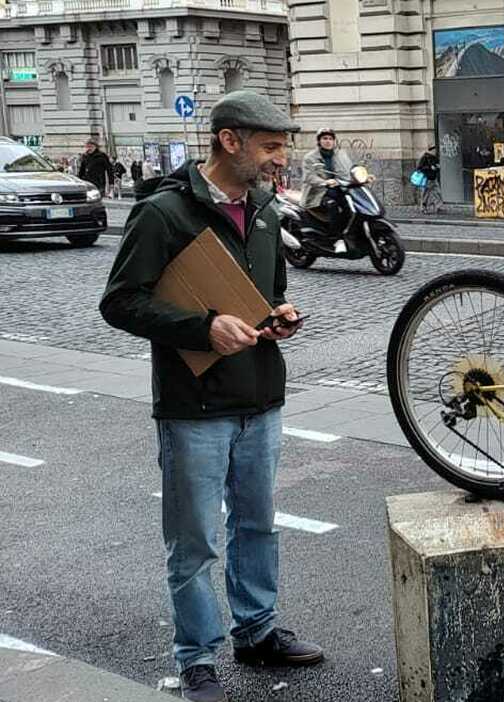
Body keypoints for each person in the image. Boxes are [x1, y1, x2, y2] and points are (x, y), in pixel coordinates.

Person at [99, 90, 323, 702]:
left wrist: (280, 314)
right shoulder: (164, 213)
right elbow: (120, 303)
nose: (281, 159)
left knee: (257, 525)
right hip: (193, 404)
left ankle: (256, 631)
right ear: (231, 142)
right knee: (195, 540)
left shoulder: (266, 210)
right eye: (271, 147)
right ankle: (196, 656)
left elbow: (268, 289)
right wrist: (202, 329)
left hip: (261, 395)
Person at [301, 128, 354, 246]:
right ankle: (335, 238)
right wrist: (324, 182)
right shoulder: (310, 157)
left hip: (339, 188)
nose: (328, 141)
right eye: (324, 138)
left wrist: (364, 176)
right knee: (332, 205)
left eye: (331, 139)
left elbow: (350, 169)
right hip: (318, 193)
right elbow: (309, 177)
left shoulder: (340, 154)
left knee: (352, 203)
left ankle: (351, 232)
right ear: (319, 141)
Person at [415, 145, 443, 214]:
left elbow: (437, 166)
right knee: (426, 194)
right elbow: (419, 168)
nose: (436, 151)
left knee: (437, 192)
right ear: (432, 150)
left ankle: (438, 206)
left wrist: (437, 167)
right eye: (435, 150)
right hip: (427, 178)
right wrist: (430, 167)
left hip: (433, 178)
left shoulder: (435, 158)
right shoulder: (425, 157)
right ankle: (423, 207)